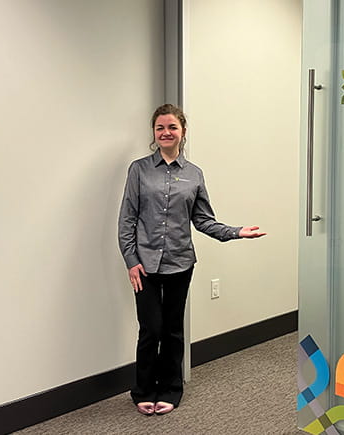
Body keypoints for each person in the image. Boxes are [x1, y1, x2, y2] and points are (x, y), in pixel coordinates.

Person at [118, 103, 265, 416]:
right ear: (153, 133)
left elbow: (203, 220)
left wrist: (237, 232)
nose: (166, 133)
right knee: (150, 329)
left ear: (182, 132)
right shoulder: (139, 170)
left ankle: (171, 389)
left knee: (172, 330)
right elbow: (127, 219)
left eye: (172, 127)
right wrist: (131, 259)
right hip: (144, 264)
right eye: (160, 128)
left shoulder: (194, 174)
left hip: (180, 263)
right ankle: (143, 389)